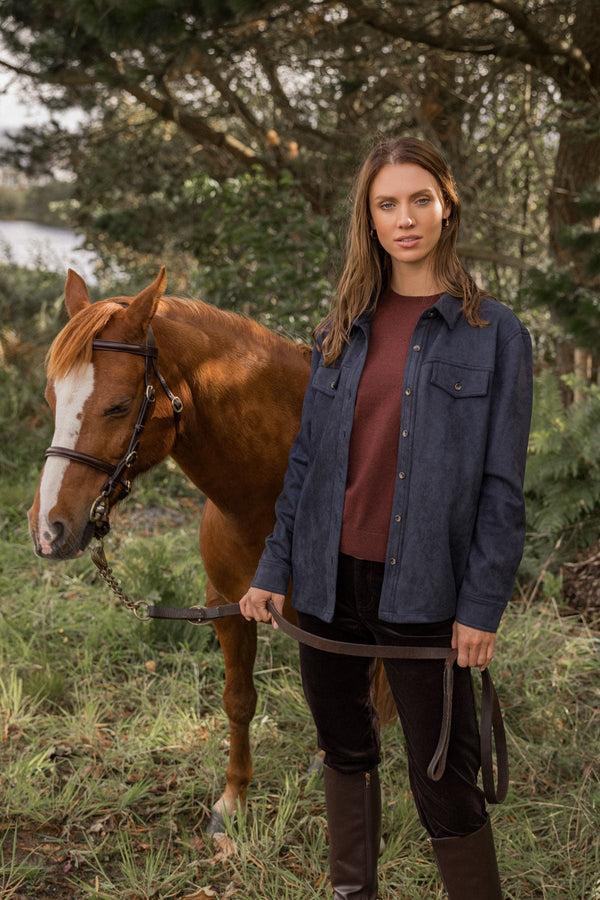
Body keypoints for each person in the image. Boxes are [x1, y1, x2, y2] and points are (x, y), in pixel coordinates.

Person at [239, 136, 532, 899]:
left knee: (446, 778)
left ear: (447, 205)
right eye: (387, 204)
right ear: (369, 219)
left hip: (429, 591)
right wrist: (274, 570)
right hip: (328, 582)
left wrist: (481, 607)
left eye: (420, 200)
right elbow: (306, 461)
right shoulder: (342, 328)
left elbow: (503, 487)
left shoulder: (494, 334)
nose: (406, 218)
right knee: (345, 751)